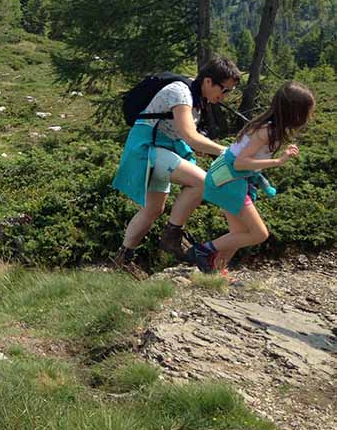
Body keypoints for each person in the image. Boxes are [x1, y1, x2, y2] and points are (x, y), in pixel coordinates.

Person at [112, 57, 241, 276]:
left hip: (158, 150)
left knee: (153, 209)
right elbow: (190, 136)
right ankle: (172, 236)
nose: (225, 96)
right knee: (202, 182)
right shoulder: (181, 92)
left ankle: (122, 259)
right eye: (225, 89)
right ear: (208, 81)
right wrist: (224, 151)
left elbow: (183, 134)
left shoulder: (196, 98)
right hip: (147, 148)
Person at [188, 81, 315, 273]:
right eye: (306, 111)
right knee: (258, 233)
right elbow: (240, 163)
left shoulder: (269, 127)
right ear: (294, 112)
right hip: (228, 180)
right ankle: (203, 250)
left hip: (225, 177)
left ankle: (215, 271)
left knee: (238, 233)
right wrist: (278, 162)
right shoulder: (267, 131)